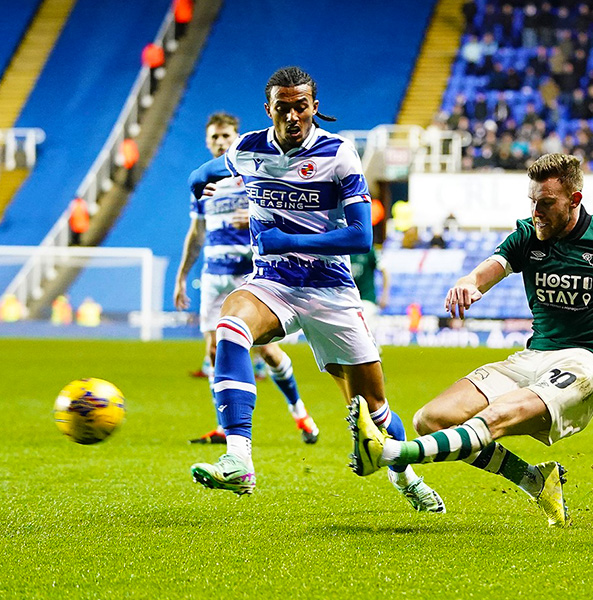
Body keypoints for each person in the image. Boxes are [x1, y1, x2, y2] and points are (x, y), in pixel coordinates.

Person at [349, 153, 593, 527]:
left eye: (546, 203)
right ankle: (535, 481)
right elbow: (490, 268)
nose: (537, 211)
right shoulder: (528, 235)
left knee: (495, 418)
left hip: (586, 363)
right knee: (431, 419)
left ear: (574, 200)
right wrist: (468, 283)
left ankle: (391, 451)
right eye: (533, 202)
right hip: (534, 356)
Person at [186, 67, 444, 512]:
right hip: (273, 283)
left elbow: (361, 236)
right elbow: (213, 168)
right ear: (269, 110)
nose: (292, 116)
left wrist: (291, 241)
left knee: (375, 410)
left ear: (314, 108)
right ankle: (238, 459)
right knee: (230, 328)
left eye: (300, 106)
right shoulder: (248, 148)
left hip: (330, 290)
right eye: (282, 108)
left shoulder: (338, 152)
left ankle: (407, 477)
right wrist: (198, 177)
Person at [174, 112, 320, 446]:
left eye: (226, 137)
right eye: (214, 138)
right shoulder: (204, 185)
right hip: (214, 275)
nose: (220, 142)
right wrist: (182, 277)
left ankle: (300, 413)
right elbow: (196, 233)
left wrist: (255, 223)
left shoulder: (252, 173)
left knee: (266, 353)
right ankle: (225, 427)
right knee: (214, 351)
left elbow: (287, 216)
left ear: (235, 138)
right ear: (207, 141)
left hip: (249, 274)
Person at [350, 245, 390, 351]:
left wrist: (385, 295)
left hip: (367, 298)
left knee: (362, 329)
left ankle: (373, 353)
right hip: (349, 299)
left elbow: (384, 271)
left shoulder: (369, 251)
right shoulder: (344, 250)